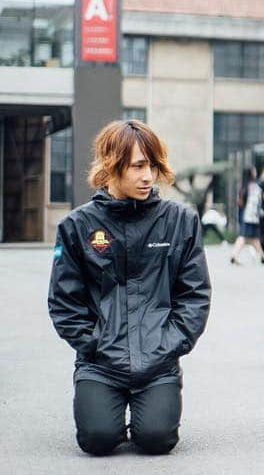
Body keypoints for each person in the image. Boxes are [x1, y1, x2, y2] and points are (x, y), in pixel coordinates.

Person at [48, 120, 211, 456]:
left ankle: (148, 411)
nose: (148, 176)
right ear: (111, 166)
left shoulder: (181, 221)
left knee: (156, 440)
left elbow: (195, 295)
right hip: (100, 363)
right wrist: (93, 344)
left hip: (158, 362)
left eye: (152, 165)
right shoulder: (77, 226)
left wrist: (168, 345)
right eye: (138, 166)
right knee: (96, 440)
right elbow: (64, 301)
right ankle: (108, 412)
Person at [229, 166, 264, 264]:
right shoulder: (254, 186)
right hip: (251, 216)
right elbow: (256, 203)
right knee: (243, 236)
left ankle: (263, 257)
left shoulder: (243, 186)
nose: (255, 172)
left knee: (254, 238)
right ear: (251, 173)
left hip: (244, 215)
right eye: (254, 170)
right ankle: (234, 254)